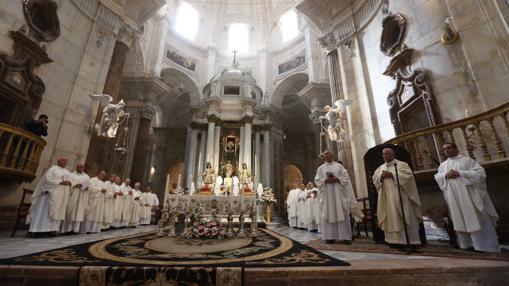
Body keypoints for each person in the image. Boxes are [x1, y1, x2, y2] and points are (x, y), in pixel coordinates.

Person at [434, 143, 500, 252]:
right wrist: (445, 175)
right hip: (455, 198)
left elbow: (480, 174)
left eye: (449, 148)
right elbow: (438, 177)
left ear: (456, 149)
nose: (446, 150)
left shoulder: (467, 161)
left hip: (469, 197)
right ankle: (467, 244)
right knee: (460, 218)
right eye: (444, 149)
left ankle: (485, 246)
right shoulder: (443, 165)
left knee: (475, 218)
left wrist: (460, 173)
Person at [372, 147, 423, 247]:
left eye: (387, 153)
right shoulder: (380, 168)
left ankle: (411, 242)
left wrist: (392, 175)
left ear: (393, 154)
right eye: (383, 154)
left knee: (405, 216)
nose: (384, 156)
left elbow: (408, 177)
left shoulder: (402, 165)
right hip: (387, 198)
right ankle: (394, 241)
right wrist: (381, 177)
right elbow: (376, 180)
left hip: (402, 197)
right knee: (391, 217)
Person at [314, 150, 357, 244]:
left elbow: (346, 178)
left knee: (341, 213)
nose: (326, 155)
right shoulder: (320, 168)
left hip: (339, 195)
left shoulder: (339, 166)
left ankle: (346, 237)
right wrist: (325, 180)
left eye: (328, 153)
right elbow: (317, 180)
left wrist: (337, 179)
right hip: (327, 196)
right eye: (325, 154)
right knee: (328, 214)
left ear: (332, 155)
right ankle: (330, 237)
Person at [27, 158, 72, 236]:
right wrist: (61, 182)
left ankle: (53, 230)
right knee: (46, 212)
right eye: (63, 161)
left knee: (58, 211)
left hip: (61, 195)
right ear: (58, 161)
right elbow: (47, 180)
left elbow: (71, 182)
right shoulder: (53, 169)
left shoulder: (67, 172)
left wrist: (70, 183)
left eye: (66, 161)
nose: (65, 162)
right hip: (50, 195)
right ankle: (39, 230)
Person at [62, 163, 91, 233]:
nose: (80, 168)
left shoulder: (86, 177)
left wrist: (86, 187)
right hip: (73, 195)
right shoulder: (71, 175)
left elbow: (90, 187)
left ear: (83, 168)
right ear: (76, 167)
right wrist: (75, 185)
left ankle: (75, 230)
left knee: (78, 212)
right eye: (78, 167)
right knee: (70, 211)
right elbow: (68, 185)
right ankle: (67, 229)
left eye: (81, 167)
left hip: (82, 196)